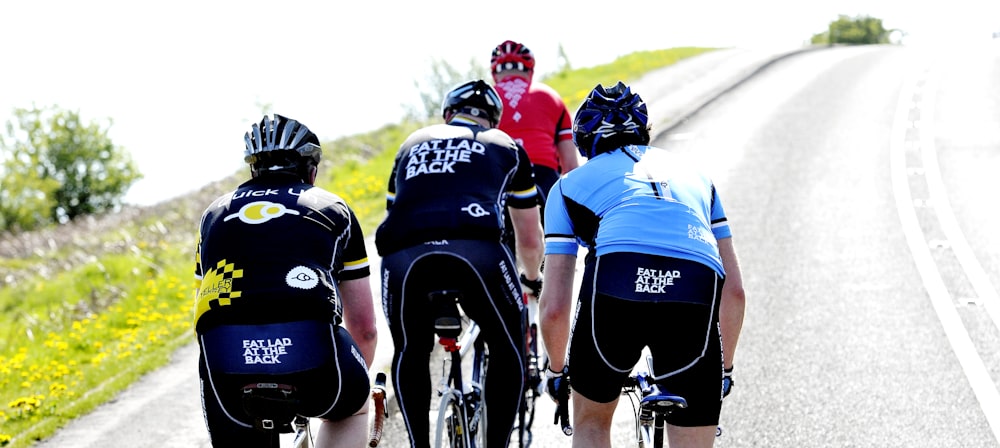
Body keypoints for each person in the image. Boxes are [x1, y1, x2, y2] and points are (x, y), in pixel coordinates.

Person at [539, 82, 747, 448]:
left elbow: (554, 307)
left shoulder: (568, 185)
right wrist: (723, 369)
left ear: (584, 141)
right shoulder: (699, 177)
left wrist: (559, 372)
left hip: (617, 281)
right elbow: (735, 291)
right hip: (695, 285)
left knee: (590, 422)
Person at [375, 79, 544, 448]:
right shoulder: (507, 147)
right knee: (508, 344)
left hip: (403, 258)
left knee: (410, 349)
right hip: (477, 253)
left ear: (447, 115)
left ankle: (419, 444)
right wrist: (531, 280)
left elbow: (395, 211)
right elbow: (529, 238)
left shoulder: (411, 144)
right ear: (493, 121)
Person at [193, 114, 378, 448]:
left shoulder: (213, 215)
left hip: (228, 365)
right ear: (311, 169)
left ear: (253, 169)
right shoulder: (332, 207)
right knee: (353, 408)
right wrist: (354, 375)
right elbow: (364, 329)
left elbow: (204, 304)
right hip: (312, 357)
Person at [490, 38, 579, 366]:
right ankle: (553, 349)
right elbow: (570, 167)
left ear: (495, 73)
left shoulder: (485, 100)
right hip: (542, 185)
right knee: (541, 271)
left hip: (495, 184)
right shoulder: (551, 97)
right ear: (529, 70)